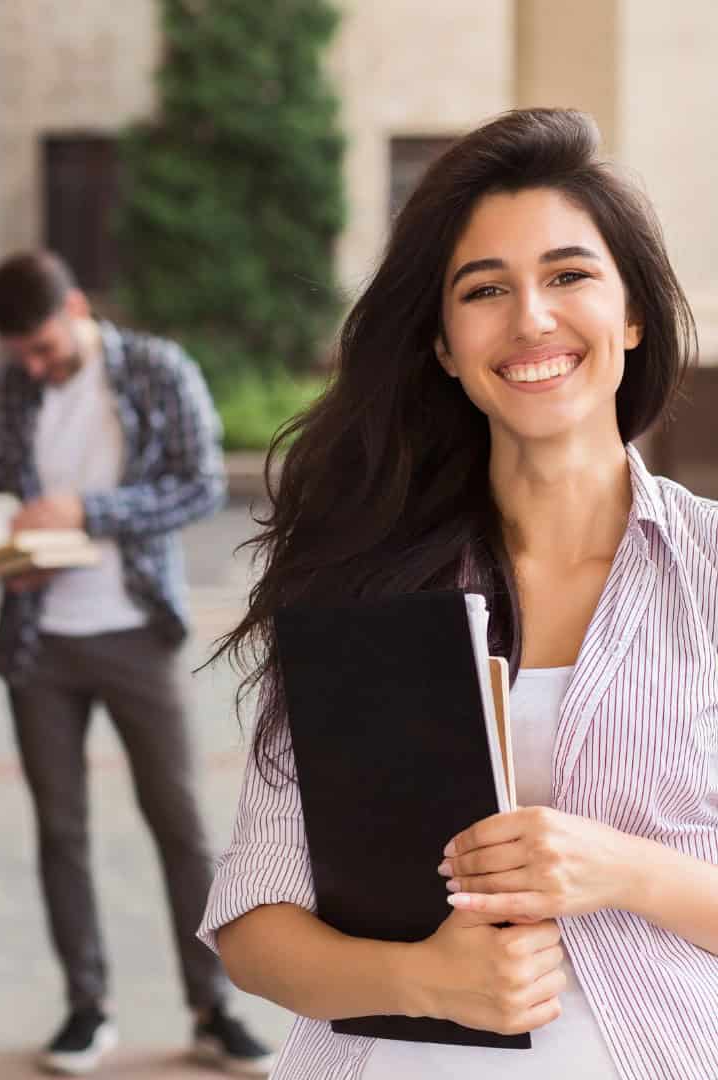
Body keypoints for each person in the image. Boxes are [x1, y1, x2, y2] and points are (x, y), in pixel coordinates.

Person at [198, 108, 718, 1079]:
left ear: (633, 313)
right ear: (442, 343)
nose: (531, 319)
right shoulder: (360, 577)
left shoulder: (711, 572)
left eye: (569, 275)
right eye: (485, 289)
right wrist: (427, 982)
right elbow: (254, 924)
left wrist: (626, 872)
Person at [0, 251, 276, 1076]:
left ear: (74, 307)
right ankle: (84, 1008)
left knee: (182, 827)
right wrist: (1, 553)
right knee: (59, 831)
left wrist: (88, 512)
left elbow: (201, 484)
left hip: (139, 630)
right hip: (38, 642)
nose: (32, 366)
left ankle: (212, 1008)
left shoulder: (156, 369)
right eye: (18, 353)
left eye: (42, 347)